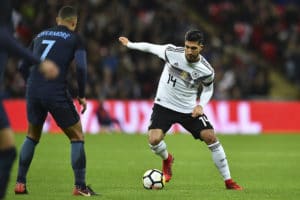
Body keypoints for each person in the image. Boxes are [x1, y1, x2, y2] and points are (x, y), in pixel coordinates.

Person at [118, 30, 243, 190]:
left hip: (188, 109)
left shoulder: (206, 70)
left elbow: (208, 89)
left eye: (193, 48)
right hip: (164, 105)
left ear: (201, 47)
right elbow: (150, 48)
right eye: (187, 47)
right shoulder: (171, 52)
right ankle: (167, 159)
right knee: (154, 140)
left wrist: (201, 105)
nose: (189, 51)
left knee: (210, 137)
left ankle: (228, 181)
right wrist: (130, 44)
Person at [14, 6, 97, 196]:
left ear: (58, 19)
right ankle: (80, 187)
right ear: (74, 23)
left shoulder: (40, 35)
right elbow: (82, 69)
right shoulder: (75, 38)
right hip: (56, 91)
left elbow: (21, 65)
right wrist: (82, 94)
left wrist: (31, 84)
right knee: (77, 136)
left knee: (31, 136)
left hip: (33, 91)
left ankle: (20, 183)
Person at [0, 1, 58, 199]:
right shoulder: (4, 29)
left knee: (8, 151)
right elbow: (6, 39)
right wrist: (40, 63)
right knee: (7, 152)